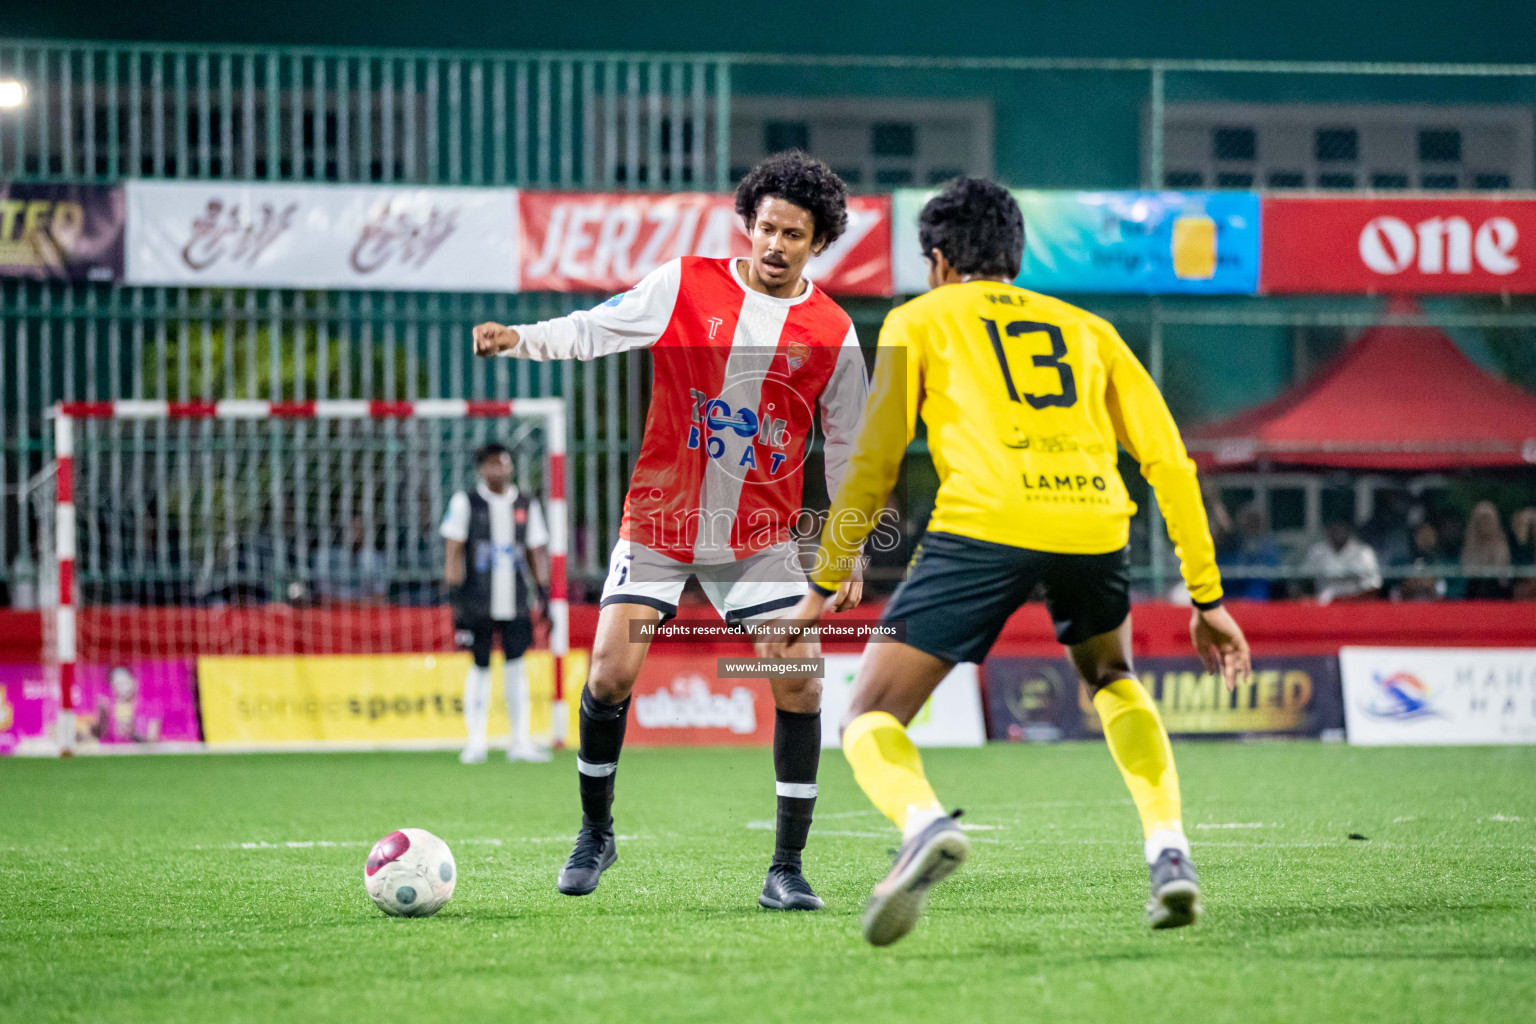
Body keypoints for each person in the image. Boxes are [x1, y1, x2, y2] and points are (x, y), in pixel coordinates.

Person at [766, 177, 1251, 946]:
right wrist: (1207, 597)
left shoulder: (918, 319)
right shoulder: (1088, 327)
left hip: (984, 522)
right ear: (1015, 256)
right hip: (1094, 523)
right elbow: (1169, 461)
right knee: (1112, 679)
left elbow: (875, 461)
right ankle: (1168, 850)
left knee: (869, 716)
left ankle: (923, 827)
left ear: (937, 261)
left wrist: (823, 584)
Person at [471, 151, 870, 910]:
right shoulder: (686, 283)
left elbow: (853, 445)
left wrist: (844, 546)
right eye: (767, 228)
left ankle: (786, 869)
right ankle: (596, 833)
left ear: (820, 242)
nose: (776, 244)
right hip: (664, 517)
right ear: (748, 225)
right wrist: (518, 337)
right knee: (609, 675)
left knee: (801, 677)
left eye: (795, 234)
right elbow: (596, 329)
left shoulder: (832, 330)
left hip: (757, 536)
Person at [441, 442, 551, 763]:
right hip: (477, 603)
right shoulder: (466, 503)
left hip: (515, 603)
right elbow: (453, 551)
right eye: (492, 464)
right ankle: (476, 742)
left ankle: (520, 741)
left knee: (517, 668)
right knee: (480, 668)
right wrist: (456, 601)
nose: (499, 470)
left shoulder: (527, 504)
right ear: (481, 468)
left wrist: (543, 595)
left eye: (504, 463)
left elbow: (535, 552)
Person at [1299, 516, 1382, 603]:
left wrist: (1346, 600)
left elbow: (1374, 586)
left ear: (1348, 529)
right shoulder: (1317, 552)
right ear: (1327, 529)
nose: (1337, 531)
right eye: (1333, 527)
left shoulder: (1363, 552)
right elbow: (1303, 580)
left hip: (1354, 605)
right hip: (1322, 605)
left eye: (1341, 527)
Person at [1218, 502, 1282, 601]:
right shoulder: (1231, 543)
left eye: (1255, 521)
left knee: (1258, 583)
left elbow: (1274, 567)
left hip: (1256, 592)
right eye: (1248, 521)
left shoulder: (1269, 545)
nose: (1252, 524)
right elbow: (1222, 565)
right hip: (1230, 587)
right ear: (1240, 523)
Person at [1460, 500, 1512, 600]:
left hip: (1498, 593)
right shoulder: (1470, 545)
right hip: (1473, 593)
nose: (1485, 524)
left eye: (1488, 520)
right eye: (1481, 520)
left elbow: (1503, 579)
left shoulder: (1501, 544)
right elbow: (1467, 573)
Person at [1392, 521, 1446, 602]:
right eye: (1422, 535)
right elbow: (1390, 591)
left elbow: (1453, 594)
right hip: (1405, 608)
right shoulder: (1401, 562)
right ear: (1414, 537)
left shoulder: (1443, 563)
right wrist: (1406, 585)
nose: (1426, 539)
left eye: (1429, 535)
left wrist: (1432, 586)